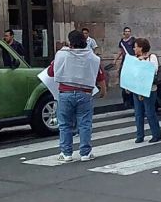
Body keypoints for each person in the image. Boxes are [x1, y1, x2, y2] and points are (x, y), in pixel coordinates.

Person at [47, 29, 107, 162]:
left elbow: (51, 72)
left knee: (65, 124)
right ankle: (85, 153)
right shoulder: (92, 57)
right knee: (85, 124)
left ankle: (66, 153)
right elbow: (100, 75)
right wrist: (103, 90)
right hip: (85, 93)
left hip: (65, 92)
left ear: (70, 42)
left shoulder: (61, 55)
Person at [130, 37, 161, 144]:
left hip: (149, 89)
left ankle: (156, 134)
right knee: (138, 113)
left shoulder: (151, 57)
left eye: (136, 47)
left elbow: (152, 70)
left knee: (150, 112)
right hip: (137, 89)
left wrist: (142, 61)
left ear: (141, 47)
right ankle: (140, 135)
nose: (134, 49)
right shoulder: (134, 59)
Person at [114, 26, 136, 109]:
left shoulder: (133, 40)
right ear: (124, 32)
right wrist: (115, 60)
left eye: (129, 31)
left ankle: (132, 100)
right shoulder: (121, 42)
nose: (127, 33)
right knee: (124, 80)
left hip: (132, 61)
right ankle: (126, 100)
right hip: (125, 62)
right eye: (126, 31)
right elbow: (121, 51)